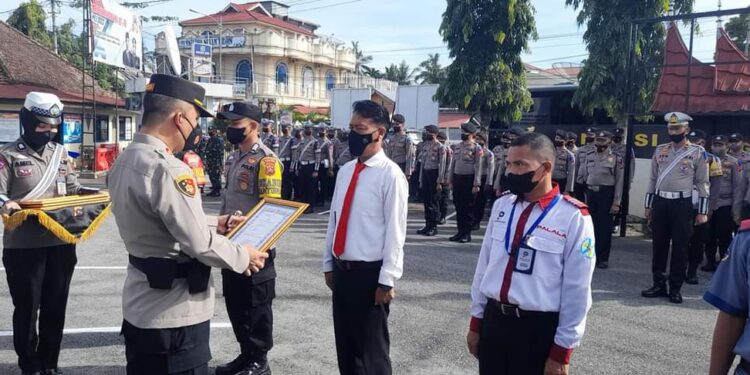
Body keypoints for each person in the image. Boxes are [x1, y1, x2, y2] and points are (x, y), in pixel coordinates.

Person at [107, 74, 268, 375]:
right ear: (179, 119)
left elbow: (158, 218)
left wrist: (214, 222)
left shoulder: (125, 160)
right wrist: (245, 256)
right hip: (175, 316)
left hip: (141, 307)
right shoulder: (169, 169)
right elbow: (198, 243)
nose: (196, 128)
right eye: (195, 118)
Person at [468, 132, 595, 375]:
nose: (510, 172)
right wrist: (476, 321)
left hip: (536, 330)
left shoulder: (573, 217)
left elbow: (577, 290)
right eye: (508, 164)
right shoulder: (502, 205)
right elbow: (484, 267)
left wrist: (562, 351)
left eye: (520, 164)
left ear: (545, 167)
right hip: (495, 322)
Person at [0, 92, 86, 375]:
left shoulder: (60, 155)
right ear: (27, 121)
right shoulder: (8, 156)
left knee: (55, 306)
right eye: (41, 126)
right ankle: (29, 364)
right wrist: (8, 204)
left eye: (51, 127)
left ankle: (49, 364)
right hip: (24, 247)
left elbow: (72, 189)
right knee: (27, 309)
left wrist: (94, 195)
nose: (47, 132)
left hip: (60, 242)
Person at [322, 100, 408, 375]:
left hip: (370, 275)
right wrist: (328, 262)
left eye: (360, 128)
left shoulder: (390, 176)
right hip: (342, 270)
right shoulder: (346, 171)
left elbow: (396, 231)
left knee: (371, 352)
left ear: (380, 133)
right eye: (350, 128)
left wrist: (387, 278)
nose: (353, 135)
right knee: (346, 349)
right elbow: (334, 221)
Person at [214, 102, 283, 375]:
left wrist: (257, 245)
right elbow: (227, 200)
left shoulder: (266, 161)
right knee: (236, 303)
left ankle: (259, 360)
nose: (231, 129)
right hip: (231, 245)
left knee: (256, 306)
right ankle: (245, 354)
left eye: (236, 124)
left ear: (253, 126)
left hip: (257, 249)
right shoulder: (234, 158)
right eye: (229, 124)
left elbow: (270, 210)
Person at [642, 112, 709, 304]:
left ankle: (675, 288)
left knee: (680, 247)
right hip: (661, 202)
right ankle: (658, 284)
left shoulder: (697, 152)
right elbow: (653, 179)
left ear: (686, 130)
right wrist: (649, 205)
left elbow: (703, 182)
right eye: (671, 128)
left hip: (682, 204)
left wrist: (703, 211)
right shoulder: (660, 150)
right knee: (659, 245)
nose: (673, 131)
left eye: (677, 128)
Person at [685, 130, 721, 284]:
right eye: (692, 141)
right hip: (682, 205)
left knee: (698, 241)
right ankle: (679, 269)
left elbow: (715, 189)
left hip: (700, 207)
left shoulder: (713, 160)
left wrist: (709, 209)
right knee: (681, 240)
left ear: (703, 143)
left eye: (698, 142)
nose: (695, 144)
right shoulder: (681, 157)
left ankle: (692, 271)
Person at [583, 131, 624, 269]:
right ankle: (589, 255)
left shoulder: (616, 158)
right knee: (589, 226)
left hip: (606, 194)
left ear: (610, 141)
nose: (599, 142)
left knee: (604, 227)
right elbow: (583, 176)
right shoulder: (589, 156)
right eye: (598, 139)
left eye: (603, 140)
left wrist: (616, 202)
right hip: (590, 193)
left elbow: (619, 181)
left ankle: (602, 258)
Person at [703, 135, 743, 273]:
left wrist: (736, 209)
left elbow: (738, 187)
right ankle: (710, 262)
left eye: (720, 145)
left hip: (725, 204)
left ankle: (724, 263)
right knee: (709, 235)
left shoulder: (734, 163)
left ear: (726, 146)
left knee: (724, 235)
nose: (717, 147)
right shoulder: (704, 160)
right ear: (711, 146)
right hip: (708, 204)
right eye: (715, 144)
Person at [447, 122, 484, 243]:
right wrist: (450, 180)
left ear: (472, 134)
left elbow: (478, 166)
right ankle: (460, 231)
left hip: (469, 179)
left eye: (465, 133)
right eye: (462, 132)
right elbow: (453, 164)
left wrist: (476, 184)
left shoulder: (476, 148)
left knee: (468, 208)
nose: (462, 134)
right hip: (458, 178)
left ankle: (466, 234)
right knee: (459, 206)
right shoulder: (457, 146)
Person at [416, 125, 447, 236]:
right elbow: (422, 163)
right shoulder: (425, 146)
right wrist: (420, 179)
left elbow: (442, 165)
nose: (425, 134)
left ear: (433, 134)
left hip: (435, 174)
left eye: (428, 132)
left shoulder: (440, 147)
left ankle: (433, 227)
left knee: (433, 202)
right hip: (425, 173)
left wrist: (440, 181)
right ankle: (428, 225)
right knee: (427, 202)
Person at [293, 124, 320, 213]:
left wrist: (316, 170)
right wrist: (296, 168)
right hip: (302, 166)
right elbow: (297, 156)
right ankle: (304, 206)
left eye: (309, 128)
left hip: (311, 166)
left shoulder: (315, 142)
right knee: (302, 187)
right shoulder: (301, 142)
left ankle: (310, 207)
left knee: (310, 188)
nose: (307, 130)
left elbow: (318, 157)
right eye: (306, 128)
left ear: (312, 130)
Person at [493, 127, 525, 197]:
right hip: (507, 181)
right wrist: (497, 188)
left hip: (521, 184)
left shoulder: (527, 152)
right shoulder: (508, 152)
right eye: (510, 136)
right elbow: (500, 171)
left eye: (513, 137)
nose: (510, 139)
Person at [472, 133, 495, 229]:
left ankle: (477, 221)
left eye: (480, 139)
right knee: (471, 201)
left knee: (480, 202)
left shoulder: (488, 153)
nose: (477, 141)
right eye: (476, 139)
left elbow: (491, 169)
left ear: (484, 141)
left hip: (483, 178)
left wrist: (489, 183)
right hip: (472, 177)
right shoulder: (472, 151)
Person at [573, 127, 597, 202]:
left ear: (595, 136)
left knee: (590, 203)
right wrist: (575, 181)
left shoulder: (597, 150)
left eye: (591, 135)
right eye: (587, 135)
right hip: (580, 180)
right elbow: (577, 165)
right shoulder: (581, 149)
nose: (588, 137)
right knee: (579, 202)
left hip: (591, 181)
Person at [552, 129, 575, 194]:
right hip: (550, 181)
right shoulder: (551, 151)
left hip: (561, 182)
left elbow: (571, 173)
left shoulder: (569, 155)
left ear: (565, 141)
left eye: (559, 139)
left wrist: (568, 189)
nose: (557, 140)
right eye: (556, 138)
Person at [204, 126, 225, 197]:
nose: (210, 132)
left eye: (212, 131)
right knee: (211, 175)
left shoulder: (218, 140)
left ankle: (217, 191)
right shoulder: (210, 139)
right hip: (210, 161)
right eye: (209, 131)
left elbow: (220, 153)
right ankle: (214, 190)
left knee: (216, 176)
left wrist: (220, 164)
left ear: (215, 131)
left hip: (216, 161)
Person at [318, 126, 336, 206]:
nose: (321, 132)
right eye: (320, 130)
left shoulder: (328, 143)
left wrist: (330, 168)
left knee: (323, 183)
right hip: (316, 164)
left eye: (323, 130)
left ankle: (322, 200)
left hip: (324, 165)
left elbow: (330, 156)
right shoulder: (316, 141)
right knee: (314, 183)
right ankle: (316, 198)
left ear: (326, 132)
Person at [437, 131, 452, 224]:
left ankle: (443, 216)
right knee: (437, 198)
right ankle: (438, 216)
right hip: (438, 176)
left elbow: (449, 165)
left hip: (445, 178)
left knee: (444, 199)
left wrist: (446, 177)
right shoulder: (436, 148)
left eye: (440, 139)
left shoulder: (448, 150)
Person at [277, 124, 295, 200]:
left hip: (288, 162)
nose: (284, 129)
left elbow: (294, 153)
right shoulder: (279, 139)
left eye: (286, 128)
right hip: (280, 162)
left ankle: (287, 197)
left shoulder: (292, 140)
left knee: (287, 181)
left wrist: (292, 165)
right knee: (281, 180)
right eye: (283, 128)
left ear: (289, 129)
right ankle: (282, 196)